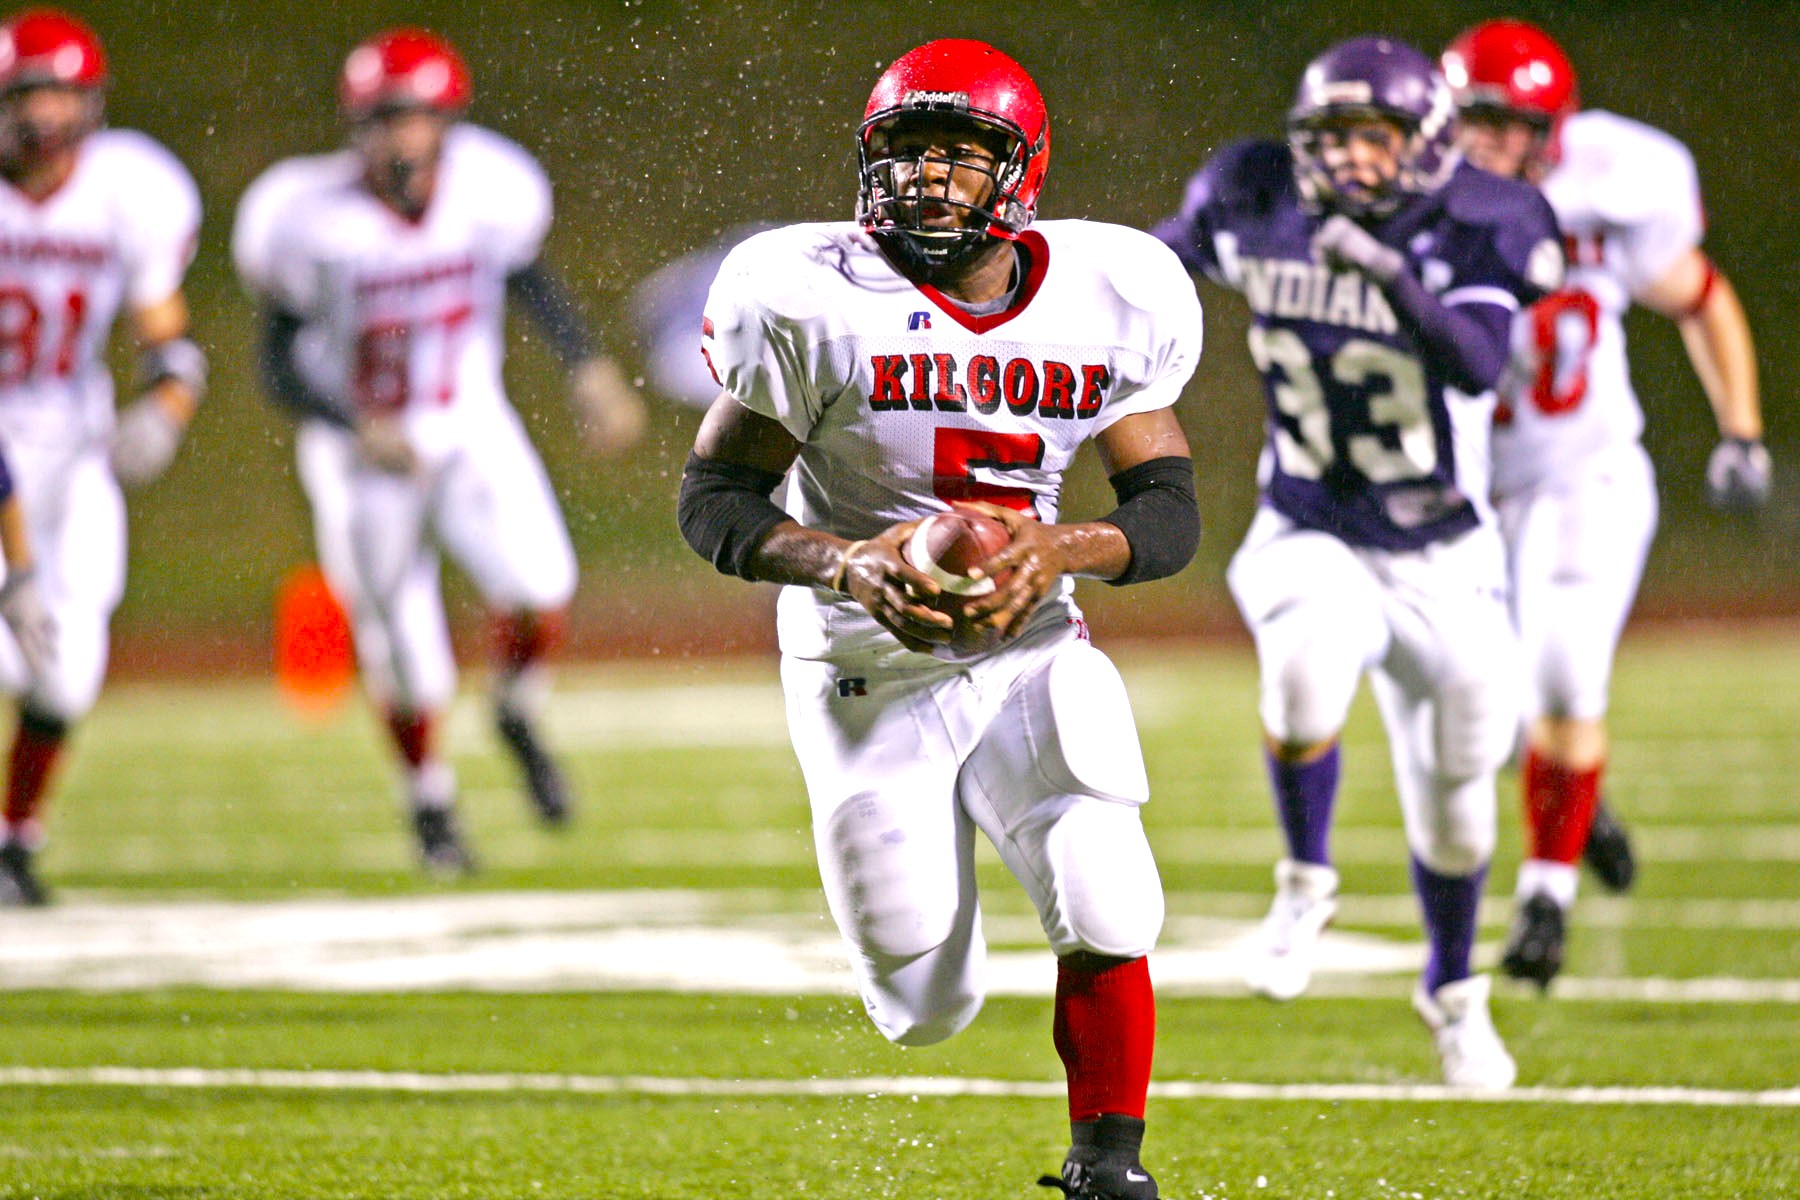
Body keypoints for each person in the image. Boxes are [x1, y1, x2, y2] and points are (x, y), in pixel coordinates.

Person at [679, 39, 1202, 1199]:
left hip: (1029, 639)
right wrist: (846, 562)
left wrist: (1054, 551)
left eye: (959, 157)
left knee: (1106, 881)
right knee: (923, 1002)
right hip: (862, 655)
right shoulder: (806, 294)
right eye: (904, 153)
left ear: (1021, 174)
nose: (924, 181)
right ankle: (930, 893)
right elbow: (713, 501)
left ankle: (1106, 1167)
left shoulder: (1113, 290)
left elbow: (1169, 511)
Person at [1154, 35, 1564, 1088]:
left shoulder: (1488, 217)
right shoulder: (1253, 192)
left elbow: (1476, 365)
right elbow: (1150, 272)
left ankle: (1452, 992)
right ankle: (1304, 880)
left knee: (1462, 801)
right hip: (1312, 521)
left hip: (1444, 547)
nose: (1348, 164)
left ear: (1423, 146)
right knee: (1302, 678)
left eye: (1372, 140)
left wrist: (1385, 271)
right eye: (1328, 140)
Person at [232, 27, 647, 876]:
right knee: (405, 649)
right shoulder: (306, 220)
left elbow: (524, 274)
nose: (401, 137)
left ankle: (516, 707)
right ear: (357, 125)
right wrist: (353, 424)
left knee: (542, 586)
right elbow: (273, 365)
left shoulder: (490, 187)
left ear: (446, 122)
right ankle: (431, 806)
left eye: (417, 117)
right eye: (386, 118)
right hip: (361, 453)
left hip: (468, 423)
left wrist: (587, 367)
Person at [1440, 20, 1771, 988]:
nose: (1489, 145)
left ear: (1556, 128)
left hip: (1585, 469)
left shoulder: (1616, 181)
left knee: (1565, 679)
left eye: (1511, 125)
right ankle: (1582, 804)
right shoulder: (1416, 195)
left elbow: (1697, 292)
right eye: (1475, 122)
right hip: (1462, 488)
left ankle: (1546, 899)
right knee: (1472, 703)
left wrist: (1740, 430)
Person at [0, 8, 204, 906]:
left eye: (57, 97)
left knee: (67, 670)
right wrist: (16, 565)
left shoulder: (130, 189)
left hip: (72, 445)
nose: (42, 121)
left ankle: (14, 840)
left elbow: (167, 334)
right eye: (24, 99)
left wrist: (168, 403)